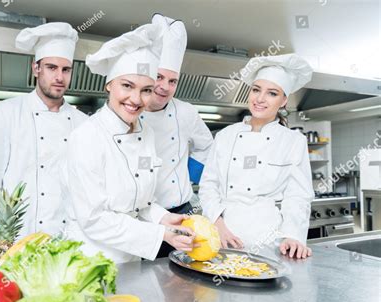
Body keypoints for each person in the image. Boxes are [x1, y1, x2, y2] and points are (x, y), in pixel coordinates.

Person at [64, 23, 196, 263]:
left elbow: (140, 201)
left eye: (146, 90)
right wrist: (160, 233)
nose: (136, 99)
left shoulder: (146, 133)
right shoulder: (86, 137)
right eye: (127, 86)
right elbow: (94, 219)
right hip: (93, 260)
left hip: (133, 258)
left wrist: (163, 218)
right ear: (109, 85)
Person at [0, 23, 88, 245]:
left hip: (65, 242)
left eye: (66, 69)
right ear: (36, 69)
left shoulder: (83, 124)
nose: (59, 77)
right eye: (51, 67)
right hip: (13, 243)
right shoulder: (6, 113)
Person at [199, 54, 314, 259]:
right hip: (223, 236)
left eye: (272, 93)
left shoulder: (293, 141)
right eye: (256, 90)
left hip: (269, 240)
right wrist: (218, 225)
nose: (260, 99)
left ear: (284, 100)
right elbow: (209, 185)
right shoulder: (225, 136)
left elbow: (298, 196)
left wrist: (293, 236)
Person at [140, 14, 213, 257]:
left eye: (172, 81)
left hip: (184, 212)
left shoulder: (186, 112)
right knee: (148, 278)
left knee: (185, 279)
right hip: (145, 216)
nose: (164, 87)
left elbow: (207, 146)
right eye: (159, 77)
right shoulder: (131, 111)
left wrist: (188, 174)